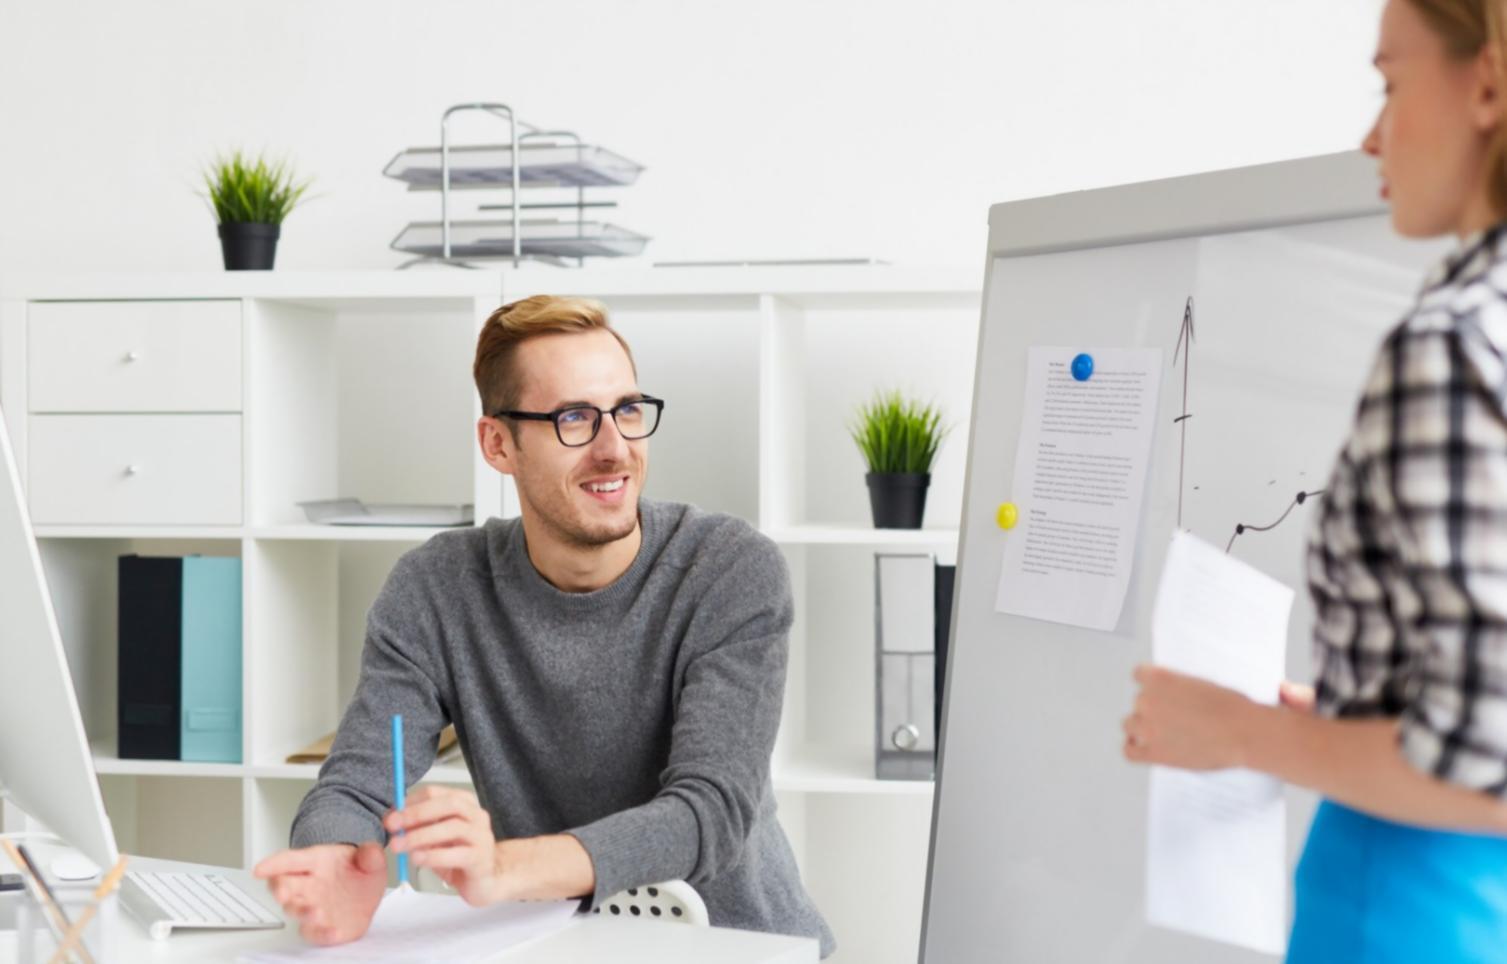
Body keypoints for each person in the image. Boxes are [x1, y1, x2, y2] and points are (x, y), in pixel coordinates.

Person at [252, 295, 835, 957]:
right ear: (498, 444)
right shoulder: (435, 588)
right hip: (556, 944)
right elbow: (356, 781)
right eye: (574, 419)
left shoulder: (727, 570)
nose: (615, 449)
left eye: (627, 411)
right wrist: (334, 856)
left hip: (740, 947)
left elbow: (709, 813)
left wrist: (504, 868)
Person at [1123, 1, 1507, 960]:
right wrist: (1353, 705)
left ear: (1488, 83)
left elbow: (1484, 769)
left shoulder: (1453, 346)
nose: (1370, 133)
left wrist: (1240, 733)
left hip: (1415, 910)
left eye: (1390, 81)